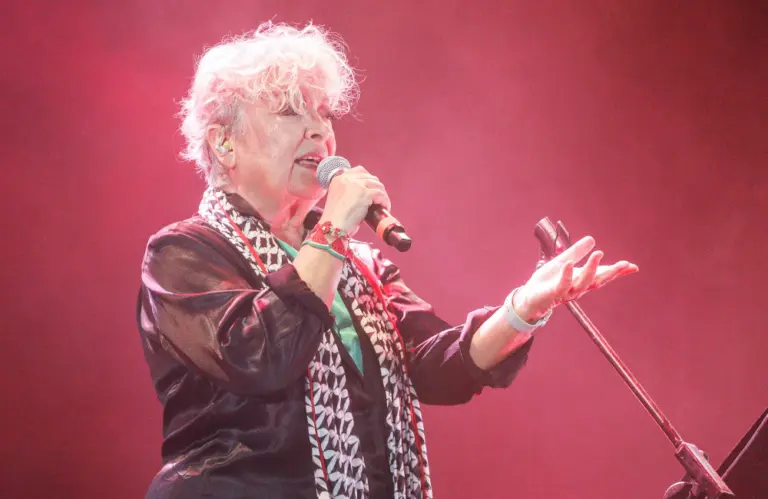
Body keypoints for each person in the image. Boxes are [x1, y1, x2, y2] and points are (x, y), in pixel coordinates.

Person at [136, 21, 638, 499]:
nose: (319, 131)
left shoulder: (360, 267)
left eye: (324, 114)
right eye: (290, 112)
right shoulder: (182, 254)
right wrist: (334, 229)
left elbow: (439, 366)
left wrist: (525, 306)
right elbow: (263, 358)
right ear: (224, 142)